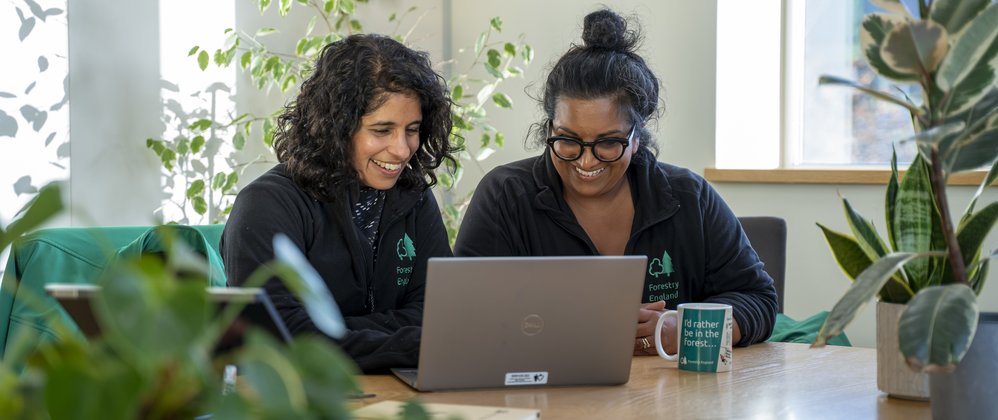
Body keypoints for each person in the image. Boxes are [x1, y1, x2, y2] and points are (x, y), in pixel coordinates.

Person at [453, 9, 777, 355]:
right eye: (568, 140)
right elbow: (462, 317)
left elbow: (758, 301)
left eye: (608, 143)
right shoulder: (506, 196)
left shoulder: (689, 198)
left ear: (637, 138)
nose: (586, 160)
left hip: (667, 403)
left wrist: (684, 329)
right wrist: (578, 327)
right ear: (549, 129)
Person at [221, 34, 456, 372]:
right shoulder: (267, 205)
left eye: (412, 129)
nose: (403, 150)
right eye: (382, 130)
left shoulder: (413, 197)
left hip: (395, 390)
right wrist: (404, 339)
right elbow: (281, 337)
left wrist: (337, 331)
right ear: (336, 127)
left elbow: (437, 313)